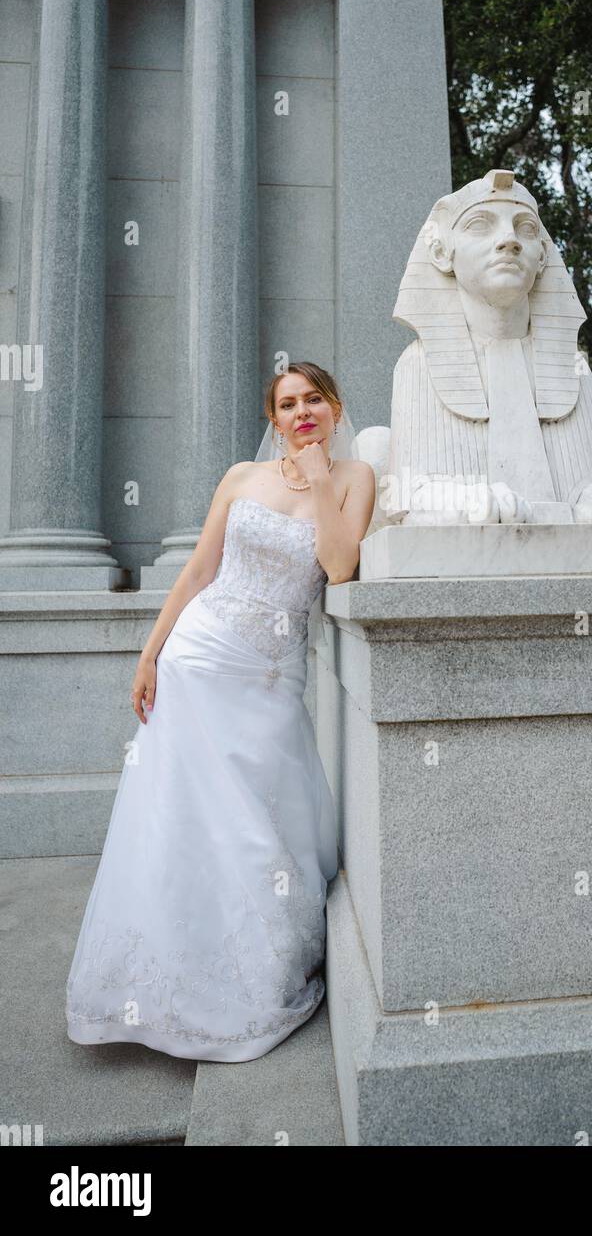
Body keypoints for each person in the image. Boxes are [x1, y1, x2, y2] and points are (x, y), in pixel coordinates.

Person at [65, 364, 375, 1063]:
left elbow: (341, 565)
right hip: (198, 660)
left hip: (268, 678)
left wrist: (321, 478)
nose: (301, 413)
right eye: (287, 404)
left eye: (312, 401)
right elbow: (199, 570)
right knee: (182, 816)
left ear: (334, 407)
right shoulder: (240, 478)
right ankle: (162, 976)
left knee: (255, 823)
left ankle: (251, 969)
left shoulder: (355, 479)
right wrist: (150, 654)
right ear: (273, 418)